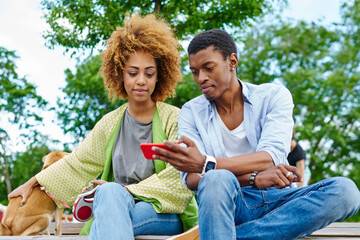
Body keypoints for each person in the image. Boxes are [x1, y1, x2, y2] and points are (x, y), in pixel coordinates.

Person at [152, 29, 360, 240]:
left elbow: (271, 157)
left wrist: (207, 163)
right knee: (215, 180)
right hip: (230, 204)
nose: (201, 78)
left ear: (232, 61)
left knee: (346, 191)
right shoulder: (191, 111)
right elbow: (193, 178)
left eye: (208, 68)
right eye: (195, 71)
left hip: (281, 199)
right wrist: (254, 178)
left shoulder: (273, 96)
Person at [8, 14, 198, 239]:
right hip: (115, 204)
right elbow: (77, 163)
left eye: (149, 74)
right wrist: (32, 182)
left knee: (107, 203)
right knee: (108, 193)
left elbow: (179, 176)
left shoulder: (174, 119)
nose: (141, 81)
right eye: (133, 72)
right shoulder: (110, 123)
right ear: (120, 75)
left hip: (162, 212)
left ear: (159, 77)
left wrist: (126, 191)